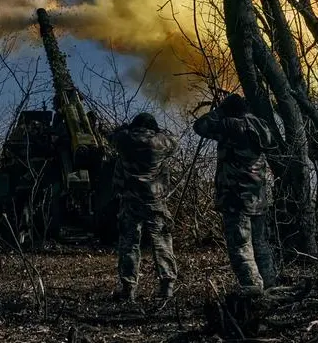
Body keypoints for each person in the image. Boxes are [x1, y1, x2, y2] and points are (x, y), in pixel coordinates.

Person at [193, 93, 277, 296]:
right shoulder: (260, 125)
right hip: (258, 197)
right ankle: (271, 287)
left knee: (241, 247)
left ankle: (253, 292)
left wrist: (219, 111)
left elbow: (200, 126)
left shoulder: (230, 125)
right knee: (260, 245)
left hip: (236, 197)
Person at [110, 112, 178, 303]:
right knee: (162, 243)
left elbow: (111, 137)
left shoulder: (124, 139)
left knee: (129, 245)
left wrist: (124, 128)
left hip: (130, 200)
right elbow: (174, 141)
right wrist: (159, 131)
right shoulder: (161, 142)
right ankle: (167, 287)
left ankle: (128, 289)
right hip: (155, 201)